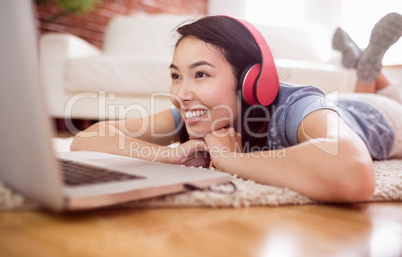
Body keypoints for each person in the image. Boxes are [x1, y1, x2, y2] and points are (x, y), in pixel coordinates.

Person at [71, 12, 402, 203]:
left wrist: (231, 160)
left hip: (379, 116)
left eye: (200, 74)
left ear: (250, 81)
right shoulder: (194, 110)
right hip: (338, 108)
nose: (181, 93)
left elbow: (352, 174)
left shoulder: (295, 107)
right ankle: (365, 64)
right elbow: (86, 140)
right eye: (175, 75)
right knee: (355, 93)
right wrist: (168, 155)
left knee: (387, 98)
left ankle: (367, 66)